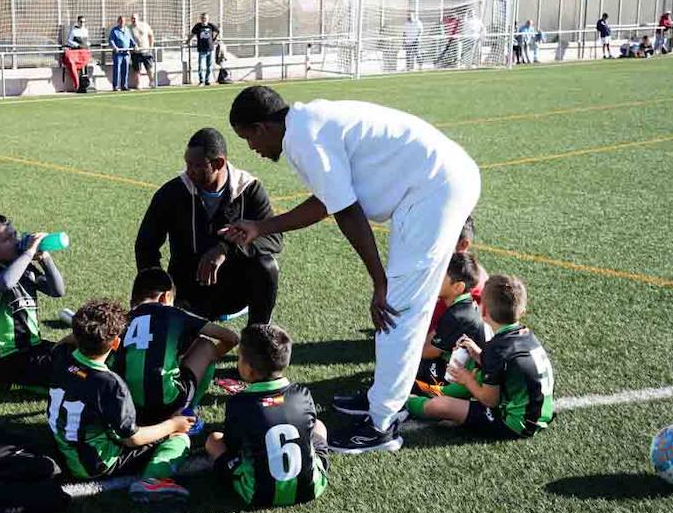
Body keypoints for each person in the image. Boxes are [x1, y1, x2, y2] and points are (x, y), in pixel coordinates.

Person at [221, 86, 480, 455]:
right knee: (398, 305)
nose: (251, 149)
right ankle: (384, 396)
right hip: (433, 183)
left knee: (397, 308)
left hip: (436, 187)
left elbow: (346, 211)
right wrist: (261, 227)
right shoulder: (305, 126)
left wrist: (379, 282)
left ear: (263, 127)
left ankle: (382, 424)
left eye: (248, 137)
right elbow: (327, 200)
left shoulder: (304, 137)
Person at [45, 299, 195, 503]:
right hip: (95, 465)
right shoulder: (110, 384)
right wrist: (172, 424)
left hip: (62, 448)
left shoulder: (61, 357)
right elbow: (132, 439)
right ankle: (152, 480)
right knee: (179, 437)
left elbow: (63, 345)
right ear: (116, 343)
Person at [135, 128, 282, 324]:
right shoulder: (172, 192)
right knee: (181, 347)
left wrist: (225, 249)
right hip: (188, 289)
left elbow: (274, 239)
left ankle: (257, 334)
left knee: (267, 265)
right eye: (187, 164)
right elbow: (146, 245)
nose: (189, 171)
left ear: (218, 163)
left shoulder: (249, 188)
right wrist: (158, 292)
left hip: (234, 285)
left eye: (196, 166)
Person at [407, 274, 554, 440]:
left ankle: (404, 400)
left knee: (441, 406)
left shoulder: (497, 349)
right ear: (521, 312)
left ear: (483, 311)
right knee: (473, 371)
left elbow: (490, 400)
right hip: (537, 414)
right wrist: (477, 353)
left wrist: (466, 380)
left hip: (513, 423)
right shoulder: (525, 334)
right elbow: (505, 365)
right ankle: (436, 391)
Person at [204, 323, 329, 509]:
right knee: (319, 425)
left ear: (249, 369)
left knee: (213, 440)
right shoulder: (302, 393)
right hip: (310, 489)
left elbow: (233, 446)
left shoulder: (239, 403)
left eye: (239, 357)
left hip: (256, 494)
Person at [112, 267, 240, 427]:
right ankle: (187, 411)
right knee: (205, 345)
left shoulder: (120, 320)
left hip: (126, 404)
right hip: (169, 404)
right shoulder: (177, 314)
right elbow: (231, 338)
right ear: (166, 297)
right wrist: (205, 361)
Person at [0, 213, 66, 388]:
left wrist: (45, 258)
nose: (15, 241)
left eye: (15, 234)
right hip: (9, 357)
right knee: (63, 374)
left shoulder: (26, 268)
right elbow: (6, 282)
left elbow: (58, 290)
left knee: (74, 354)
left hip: (35, 346)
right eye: (7, 238)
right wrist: (29, 252)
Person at [412, 252, 487, 392]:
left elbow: (429, 352)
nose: (434, 278)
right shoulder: (461, 306)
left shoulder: (456, 315)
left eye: (440, 276)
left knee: (407, 371)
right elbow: (433, 338)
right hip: (461, 369)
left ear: (458, 287)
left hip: (466, 382)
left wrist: (405, 353)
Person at [186, 12, 220, 86]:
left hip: (210, 49)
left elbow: (218, 31)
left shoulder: (211, 25)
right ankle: (201, 81)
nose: (203, 20)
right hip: (201, 49)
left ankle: (207, 80)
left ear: (207, 19)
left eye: (205, 18)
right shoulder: (198, 26)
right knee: (201, 66)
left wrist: (214, 39)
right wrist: (188, 40)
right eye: (202, 18)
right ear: (200, 19)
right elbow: (192, 34)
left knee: (209, 66)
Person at [107, 15, 136, 92]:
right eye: (120, 21)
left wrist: (135, 45)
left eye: (123, 21)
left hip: (126, 53)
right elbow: (111, 40)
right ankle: (115, 86)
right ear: (118, 21)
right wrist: (114, 47)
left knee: (125, 70)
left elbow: (131, 39)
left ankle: (124, 86)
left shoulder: (127, 30)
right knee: (117, 70)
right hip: (118, 54)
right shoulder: (114, 30)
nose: (122, 22)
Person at [129, 13, 155, 88]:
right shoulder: (129, 28)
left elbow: (151, 35)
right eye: (132, 18)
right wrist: (131, 49)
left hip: (145, 51)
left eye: (134, 18)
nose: (133, 20)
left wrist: (151, 47)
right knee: (136, 70)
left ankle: (152, 82)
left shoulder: (144, 25)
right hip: (135, 52)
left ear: (138, 18)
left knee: (149, 68)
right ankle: (138, 84)